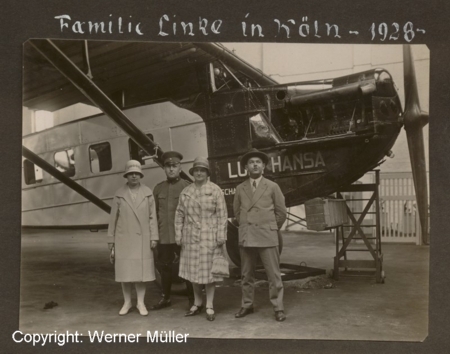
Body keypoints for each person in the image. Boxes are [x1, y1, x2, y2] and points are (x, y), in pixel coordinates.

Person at [233, 148, 287, 322]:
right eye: (251, 162)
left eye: (258, 162)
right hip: (247, 236)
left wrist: (270, 227)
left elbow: (281, 213)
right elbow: (237, 213)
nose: (254, 165)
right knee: (246, 274)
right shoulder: (240, 188)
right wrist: (246, 227)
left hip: (267, 236)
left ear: (263, 166)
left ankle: (278, 307)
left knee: (273, 275)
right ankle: (247, 305)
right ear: (246, 167)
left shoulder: (272, 186)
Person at [175, 156, 228, 321]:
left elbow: (222, 215)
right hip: (190, 237)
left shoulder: (215, 190)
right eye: (196, 170)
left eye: (202, 170)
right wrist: (178, 233)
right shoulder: (186, 191)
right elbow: (179, 214)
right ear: (193, 173)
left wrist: (221, 235)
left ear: (207, 173)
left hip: (208, 237)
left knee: (208, 274)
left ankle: (210, 305)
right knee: (193, 273)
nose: (199, 173)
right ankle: (197, 303)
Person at [107, 160, 159, 316]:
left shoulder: (148, 193)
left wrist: (154, 237)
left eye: (137, 173)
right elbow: (113, 219)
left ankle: (141, 303)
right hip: (124, 238)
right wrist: (111, 240)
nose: (134, 176)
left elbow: (152, 217)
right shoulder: (119, 194)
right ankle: (127, 302)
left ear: (140, 175)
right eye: (131, 174)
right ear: (126, 176)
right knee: (126, 273)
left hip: (143, 239)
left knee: (140, 274)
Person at [150, 151, 194, 311]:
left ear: (180, 167)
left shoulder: (188, 187)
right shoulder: (158, 189)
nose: (171, 169)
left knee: (188, 267)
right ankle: (166, 298)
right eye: (168, 166)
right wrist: (154, 236)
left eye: (174, 166)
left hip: (183, 236)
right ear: (164, 169)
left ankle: (193, 300)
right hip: (163, 236)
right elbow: (153, 215)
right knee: (164, 267)